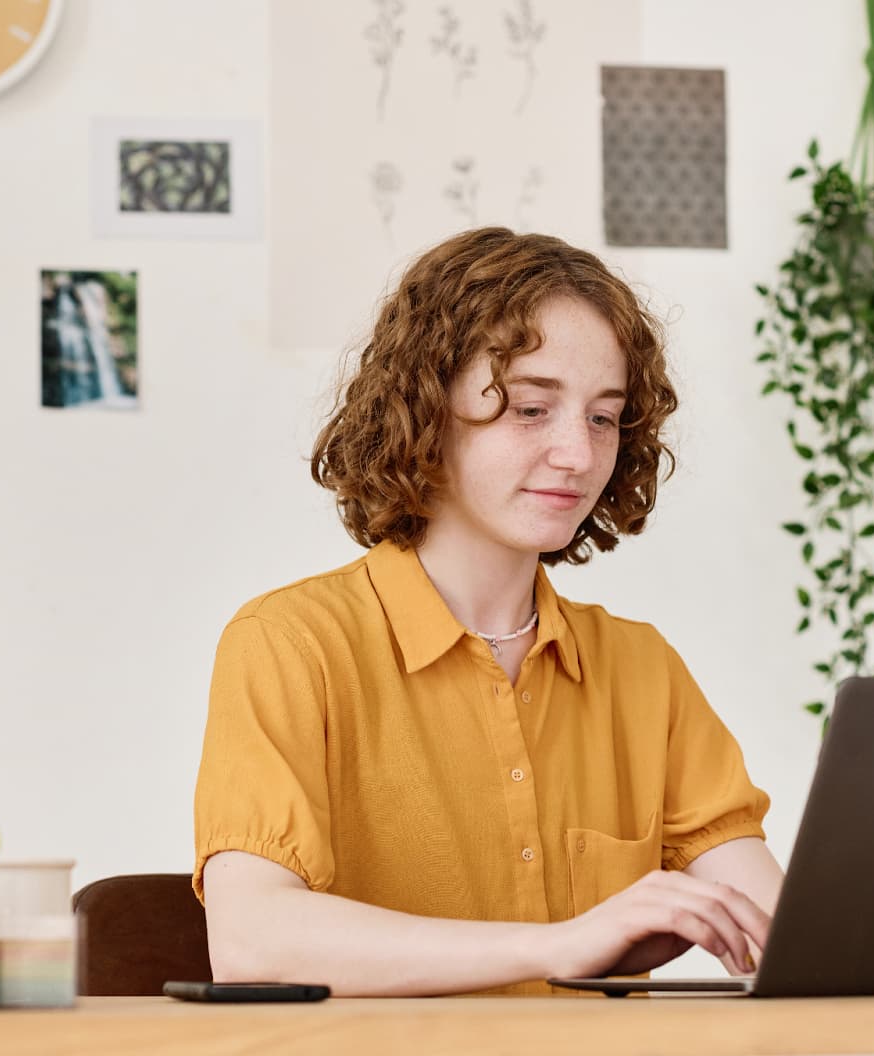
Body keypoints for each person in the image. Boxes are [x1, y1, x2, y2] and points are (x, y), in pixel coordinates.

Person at [193, 227, 782, 997]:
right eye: (532, 409)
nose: (577, 454)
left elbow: (775, 923)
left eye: (604, 418)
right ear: (425, 409)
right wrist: (560, 946)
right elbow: (251, 941)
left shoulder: (642, 672)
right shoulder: (290, 645)